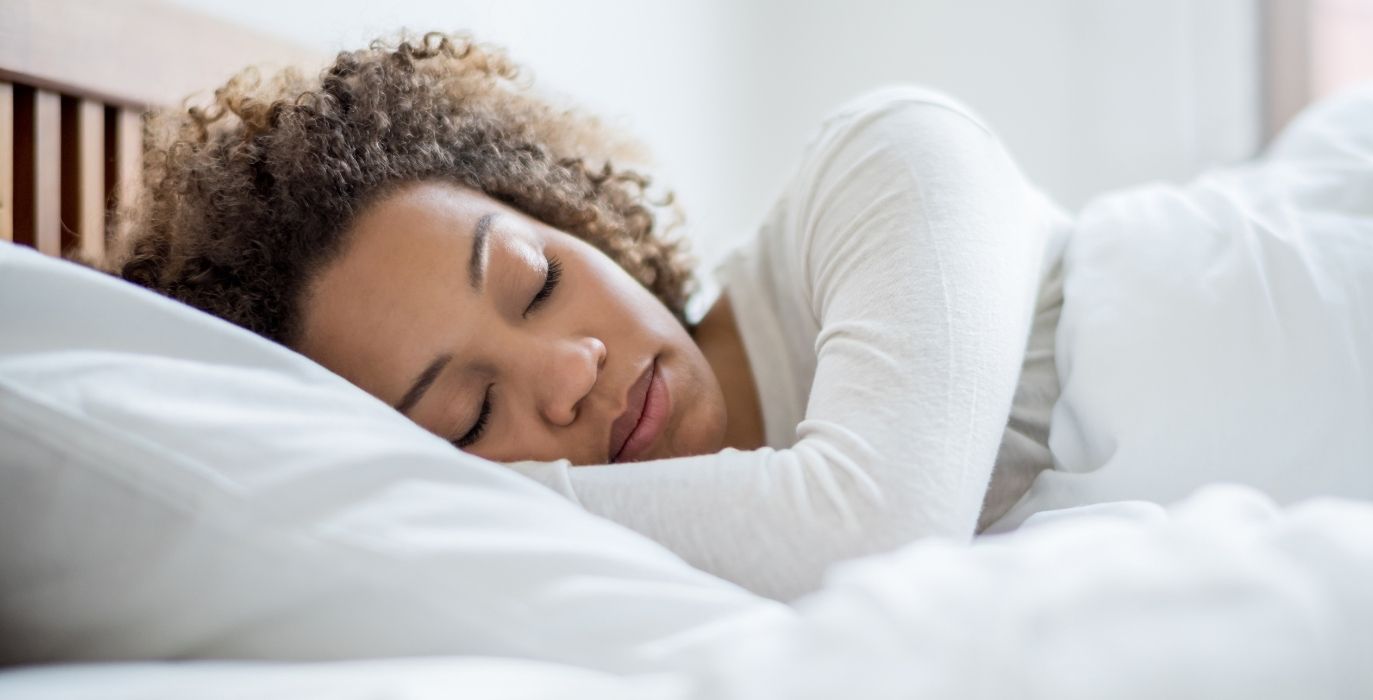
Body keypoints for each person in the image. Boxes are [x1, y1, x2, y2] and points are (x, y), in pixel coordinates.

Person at [111, 33, 1066, 600]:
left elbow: (874, 531)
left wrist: (453, 498)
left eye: (536, 283)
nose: (570, 372)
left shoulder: (886, 160)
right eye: (471, 419)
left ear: (571, 217)